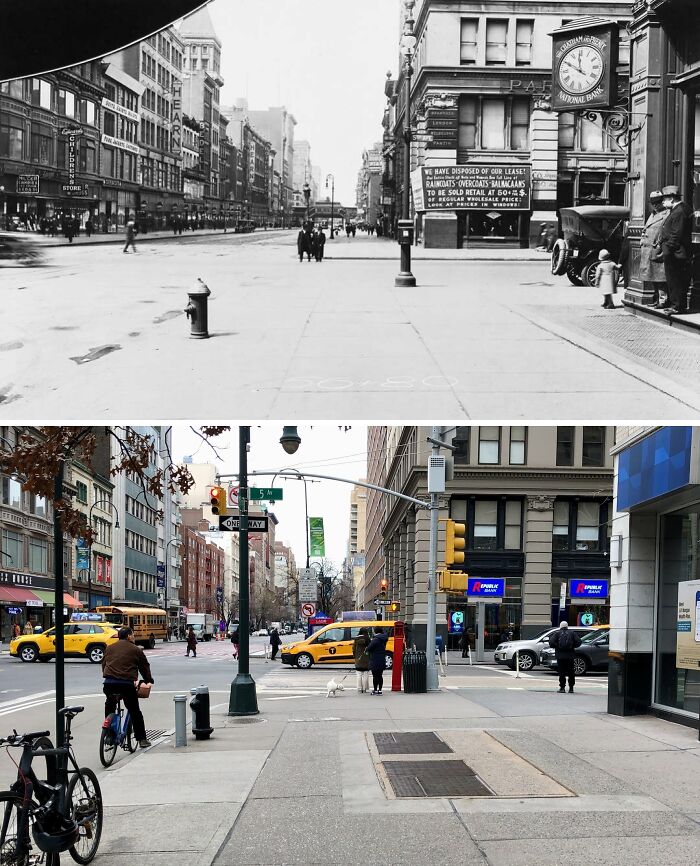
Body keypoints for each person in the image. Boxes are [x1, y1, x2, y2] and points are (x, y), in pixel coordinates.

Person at [101, 626, 154, 748]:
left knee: (110, 704)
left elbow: (104, 664)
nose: (134, 637)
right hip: (126, 685)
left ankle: (109, 734)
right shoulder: (136, 650)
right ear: (129, 636)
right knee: (134, 710)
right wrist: (148, 679)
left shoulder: (109, 648)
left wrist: (107, 675)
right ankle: (142, 739)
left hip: (108, 684)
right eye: (133, 635)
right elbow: (144, 667)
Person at [655, 184, 693, 314]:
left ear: (671, 199)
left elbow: (676, 234)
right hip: (676, 252)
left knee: (675, 280)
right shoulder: (680, 209)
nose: (663, 203)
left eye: (664, 200)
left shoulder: (679, 211)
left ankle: (676, 306)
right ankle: (676, 305)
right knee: (676, 280)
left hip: (676, 253)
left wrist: (668, 249)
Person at [549, 620, 581, 693]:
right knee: (571, 672)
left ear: (560, 626)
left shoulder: (557, 633)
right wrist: (572, 646)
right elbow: (579, 642)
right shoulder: (572, 633)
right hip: (570, 655)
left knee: (561, 672)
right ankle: (571, 688)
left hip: (560, 656)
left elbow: (551, 642)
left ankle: (562, 688)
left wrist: (557, 646)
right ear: (567, 626)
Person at [367, 627, 388, 695]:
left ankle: (375, 690)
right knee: (380, 675)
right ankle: (380, 690)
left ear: (375, 632)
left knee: (375, 676)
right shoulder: (384, 638)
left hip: (375, 659)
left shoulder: (375, 639)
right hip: (381, 658)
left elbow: (369, 648)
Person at [353, 626, 370, 693]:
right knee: (366, 673)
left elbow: (353, 649)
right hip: (366, 658)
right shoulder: (368, 639)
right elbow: (370, 648)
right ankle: (365, 688)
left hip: (358, 658)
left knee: (359, 674)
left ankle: (359, 688)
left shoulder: (356, 639)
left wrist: (355, 657)